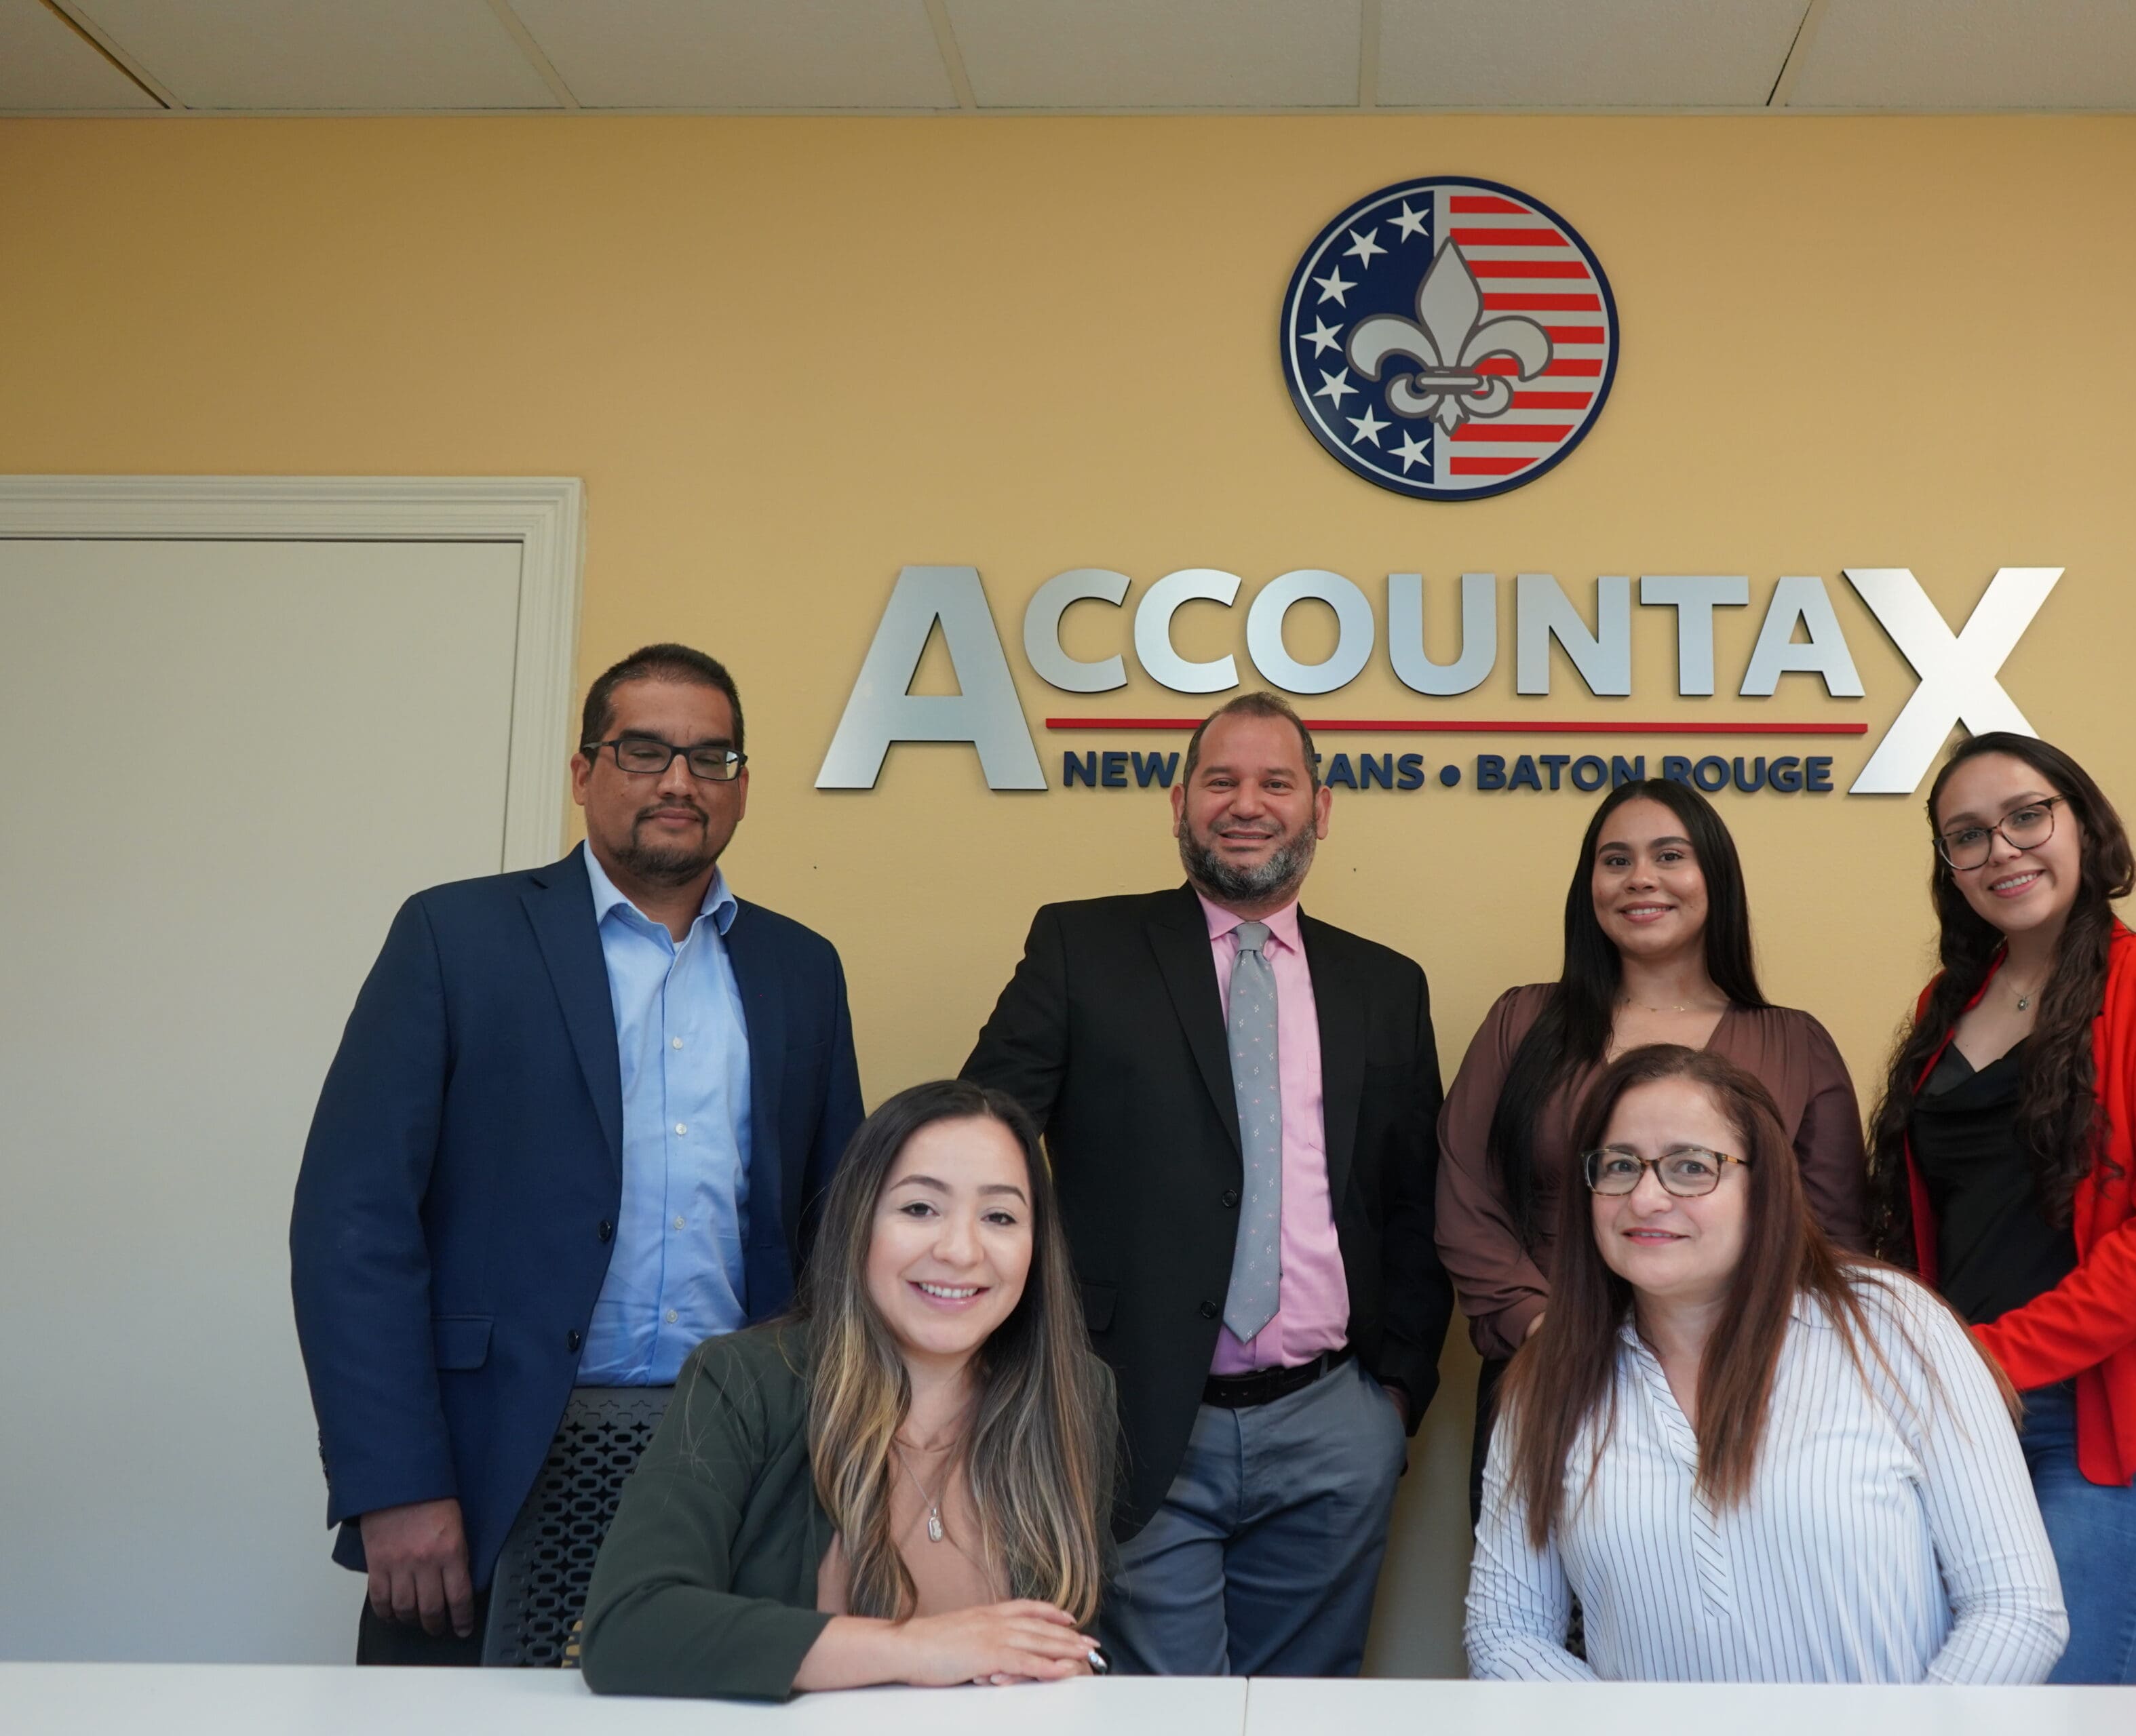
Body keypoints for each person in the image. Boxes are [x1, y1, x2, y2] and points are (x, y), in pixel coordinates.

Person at [289, 642, 866, 1664]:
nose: (679, 781)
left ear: (740, 786)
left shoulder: (800, 969)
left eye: (711, 757)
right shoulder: (456, 937)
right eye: (644, 751)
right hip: (485, 1458)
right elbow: (353, 1222)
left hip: (733, 1456)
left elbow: (836, 1237)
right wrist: (394, 1478)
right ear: (583, 771)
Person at [963, 691, 1452, 1677]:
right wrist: (1038, 1367)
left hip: (1332, 1423)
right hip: (1131, 1413)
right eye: (1221, 782)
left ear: (1322, 809)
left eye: (1277, 782)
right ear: (1179, 802)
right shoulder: (1082, 948)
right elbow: (980, 1149)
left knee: (1305, 1707)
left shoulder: (1384, 985)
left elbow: (1412, 1199)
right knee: (1155, 1712)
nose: (1247, 804)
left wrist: (1391, 1393)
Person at [1467, 1045, 2066, 1684]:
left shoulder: (1895, 1327)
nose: (1645, 1198)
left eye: (1691, 1167)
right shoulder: (1548, 1377)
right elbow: (1505, 1634)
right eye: (1619, 1166)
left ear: (1764, 1187)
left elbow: (2016, 1608)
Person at [1866, 731, 2136, 1685]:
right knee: (1949, 1704)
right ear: (1949, 867)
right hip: (1957, 1422)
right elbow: (1925, 1224)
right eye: (1968, 836)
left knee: (2054, 1707)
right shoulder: (1947, 1004)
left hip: (2103, 1425)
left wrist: (1996, 1359)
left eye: (2028, 815)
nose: (2003, 850)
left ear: (2082, 822)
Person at [579, 1080, 1117, 1698]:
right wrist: (922, 1647)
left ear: (1034, 1247)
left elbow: (1080, 1642)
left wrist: (1073, 1667)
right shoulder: (745, 1381)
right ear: (860, 1222)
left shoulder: (1075, 1396)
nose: (961, 1250)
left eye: (999, 1216)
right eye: (920, 1209)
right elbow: (629, 1627)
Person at [1436, 778, 1865, 1514]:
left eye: (1670, 855)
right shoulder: (1523, 1021)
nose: (1641, 878)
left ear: (1714, 880)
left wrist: (1747, 1358)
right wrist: (1546, 1334)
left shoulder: (1794, 1043)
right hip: (1548, 1376)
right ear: (1589, 887)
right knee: (1536, 1620)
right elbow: (1463, 1196)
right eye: (1615, 860)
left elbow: (1834, 1238)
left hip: (1740, 1391)